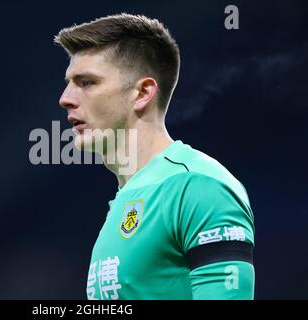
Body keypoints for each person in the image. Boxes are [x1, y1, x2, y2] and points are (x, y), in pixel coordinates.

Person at [54, 13, 255, 300]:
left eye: (86, 82)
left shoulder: (199, 187)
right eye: (69, 82)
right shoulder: (126, 197)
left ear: (142, 93)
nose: (65, 98)